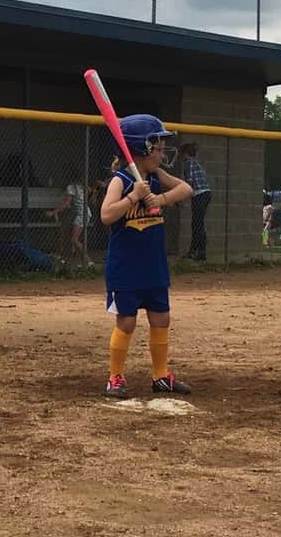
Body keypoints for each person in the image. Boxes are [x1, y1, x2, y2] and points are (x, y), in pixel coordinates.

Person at [101, 114, 194, 398]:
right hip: (126, 267)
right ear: (140, 148)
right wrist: (133, 196)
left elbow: (186, 189)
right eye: (158, 146)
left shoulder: (155, 177)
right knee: (126, 322)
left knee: (161, 318)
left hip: (153, 265)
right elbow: (106, 215)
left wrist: (160, 198)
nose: (162, 152)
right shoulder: (122, 180)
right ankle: (115, 378)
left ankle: (160, 376)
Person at [46, 166, 92, 257]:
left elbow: (66, 204)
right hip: (80, 213)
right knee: (64, 229)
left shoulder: (71, 187)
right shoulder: (81, 186)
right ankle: (63, 253)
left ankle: (87, 260)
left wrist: (53, 212)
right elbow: (89, 191)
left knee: (74, 240)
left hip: (82, 214)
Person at [180, 142, 211, 261]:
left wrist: (181, 198)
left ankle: (199, 252)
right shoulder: (195, 162)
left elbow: (190, 182)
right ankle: (195, 250)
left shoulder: (189, 163)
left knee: (198, 224)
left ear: (185, 154)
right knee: (197, 223)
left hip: (200, 194)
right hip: (204, 193)